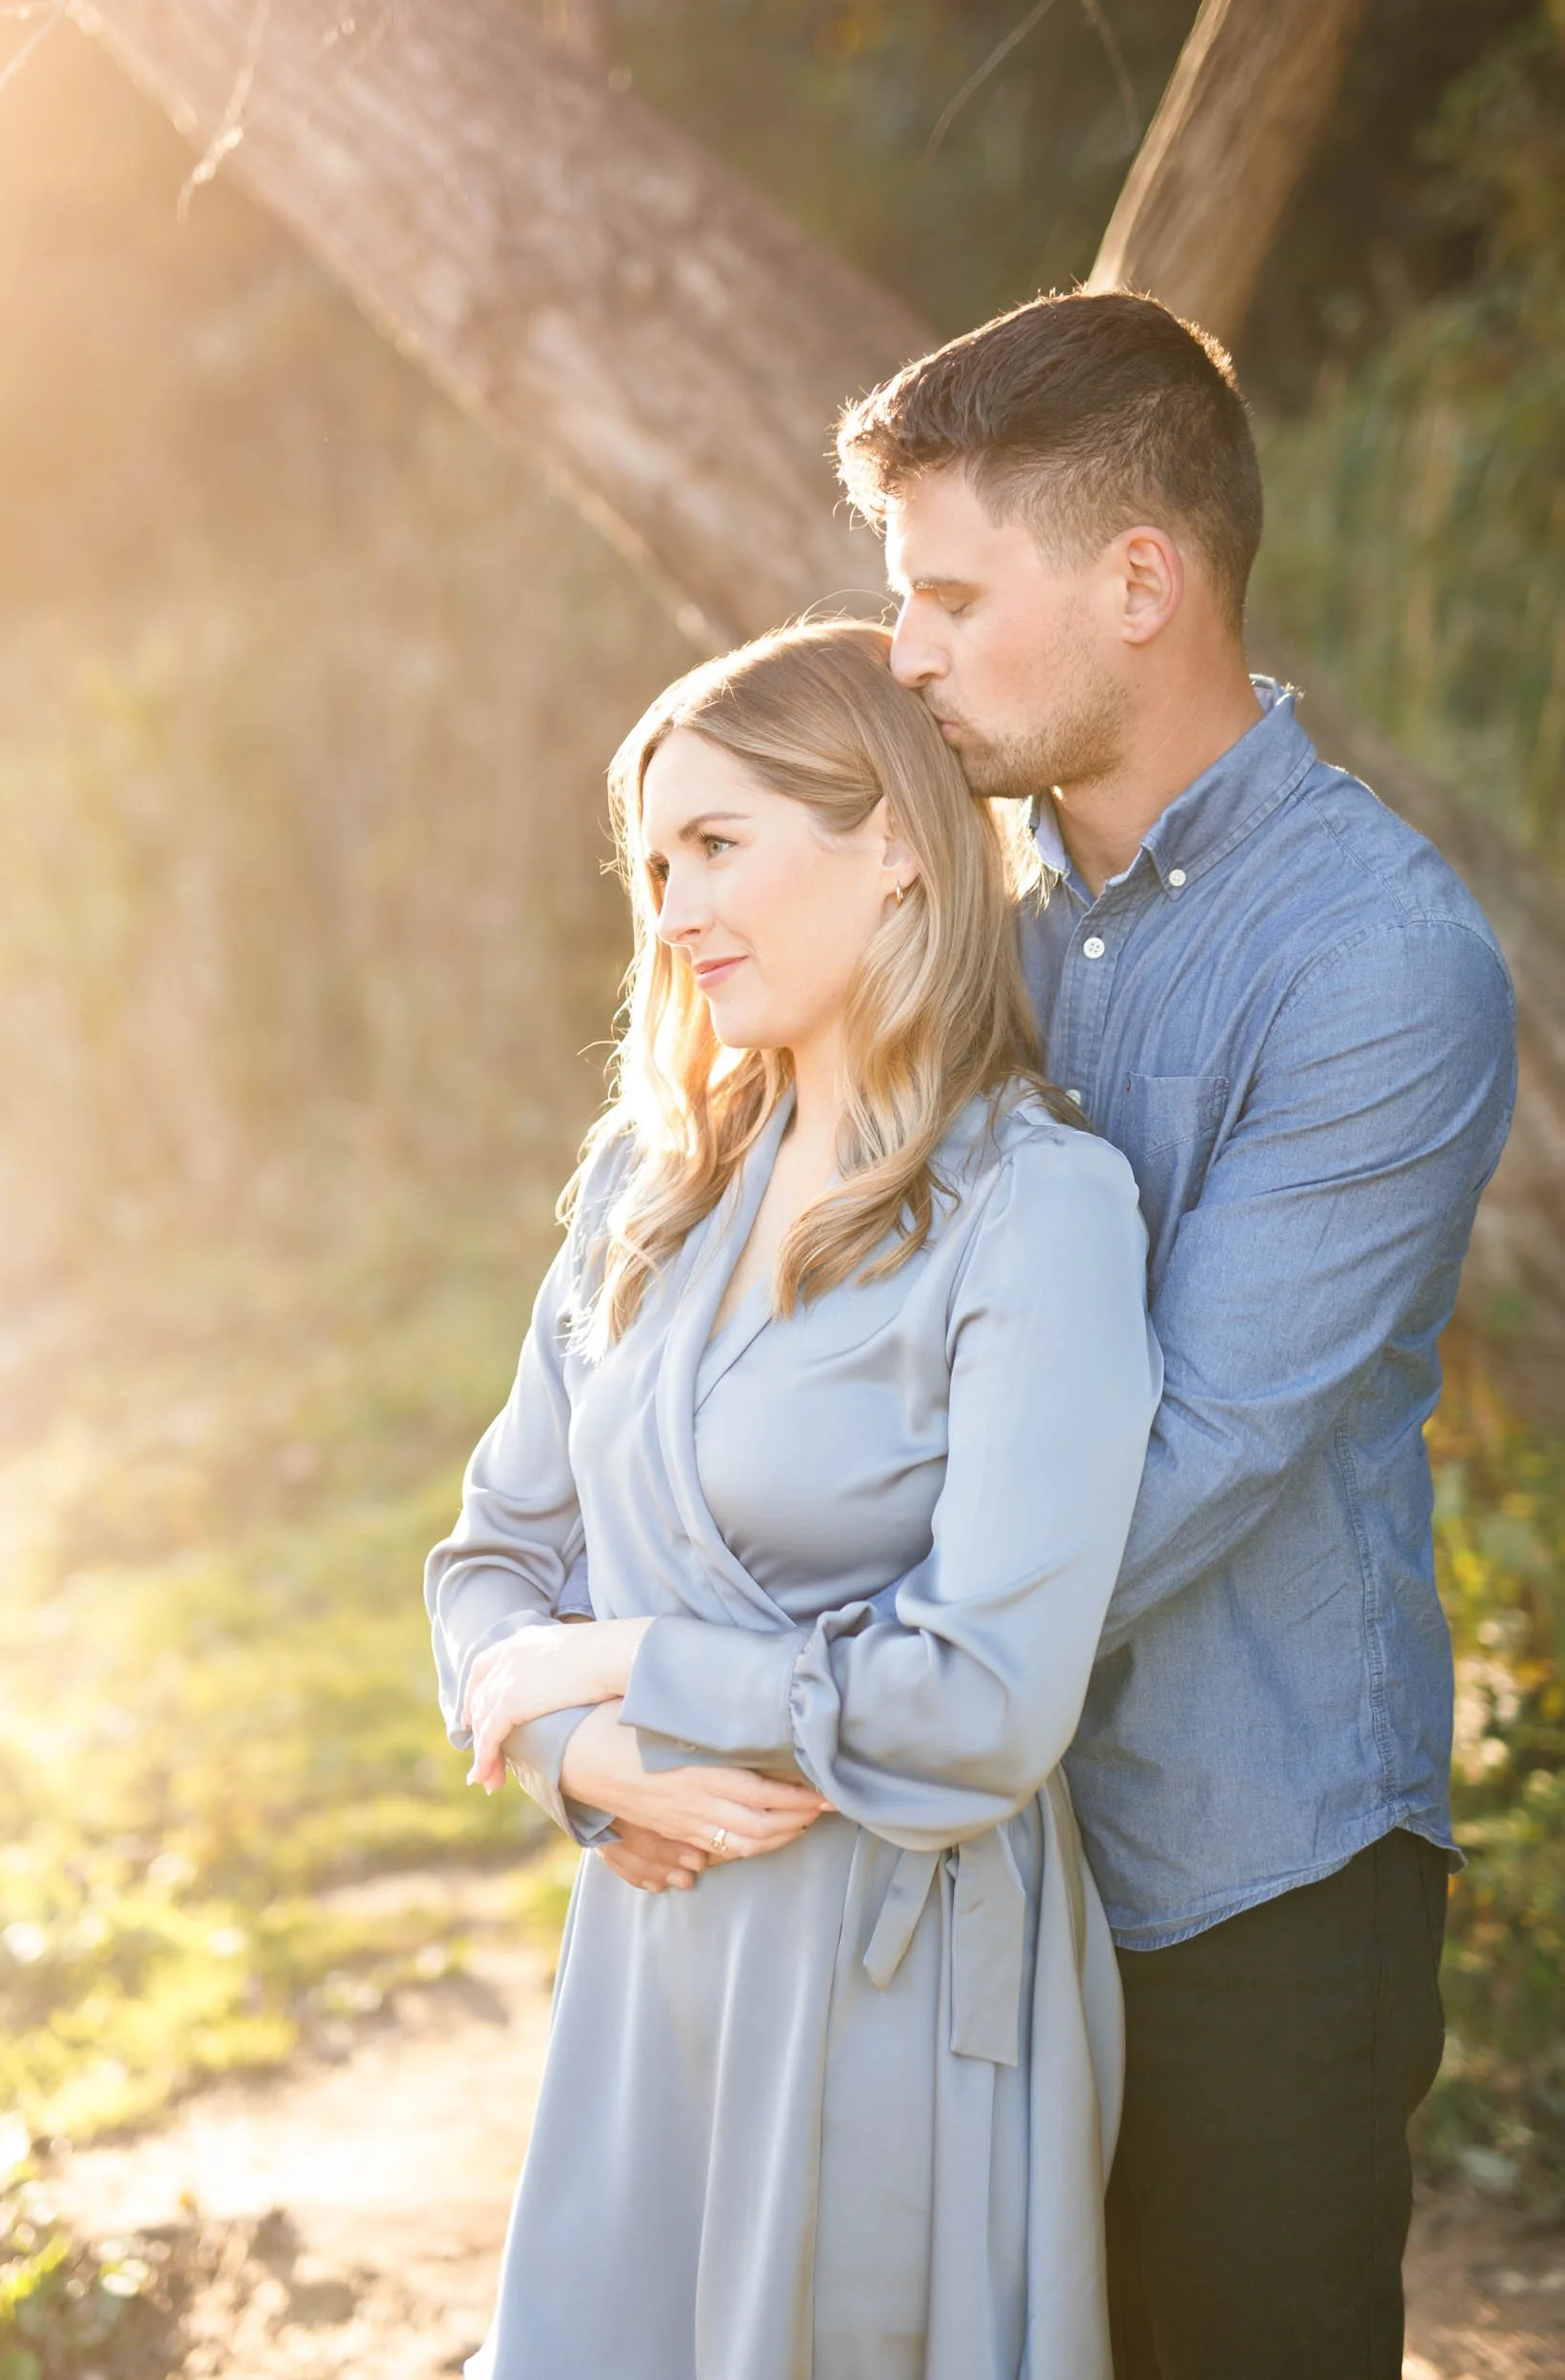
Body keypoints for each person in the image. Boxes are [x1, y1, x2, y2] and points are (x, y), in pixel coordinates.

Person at [825, 290, 1515, 2378]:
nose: (903, 650)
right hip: (985, 1866)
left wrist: (791, 1683)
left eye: (948, 592)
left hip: (1253, 1871)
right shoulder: (970, 926)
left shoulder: (1378, 962)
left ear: (1139, 581)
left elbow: (1190, 1450)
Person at [426, 618, 1161, 2380]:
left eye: (719, 847)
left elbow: (986, 1704)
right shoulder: (643, 1182)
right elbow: (490, 1559)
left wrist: (629, 1669)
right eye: (654, 860)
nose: (672, 908)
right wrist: (570, 1762)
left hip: (891, 1975)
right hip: (652, 1946)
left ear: (894, 840)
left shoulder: (1035, 1211)